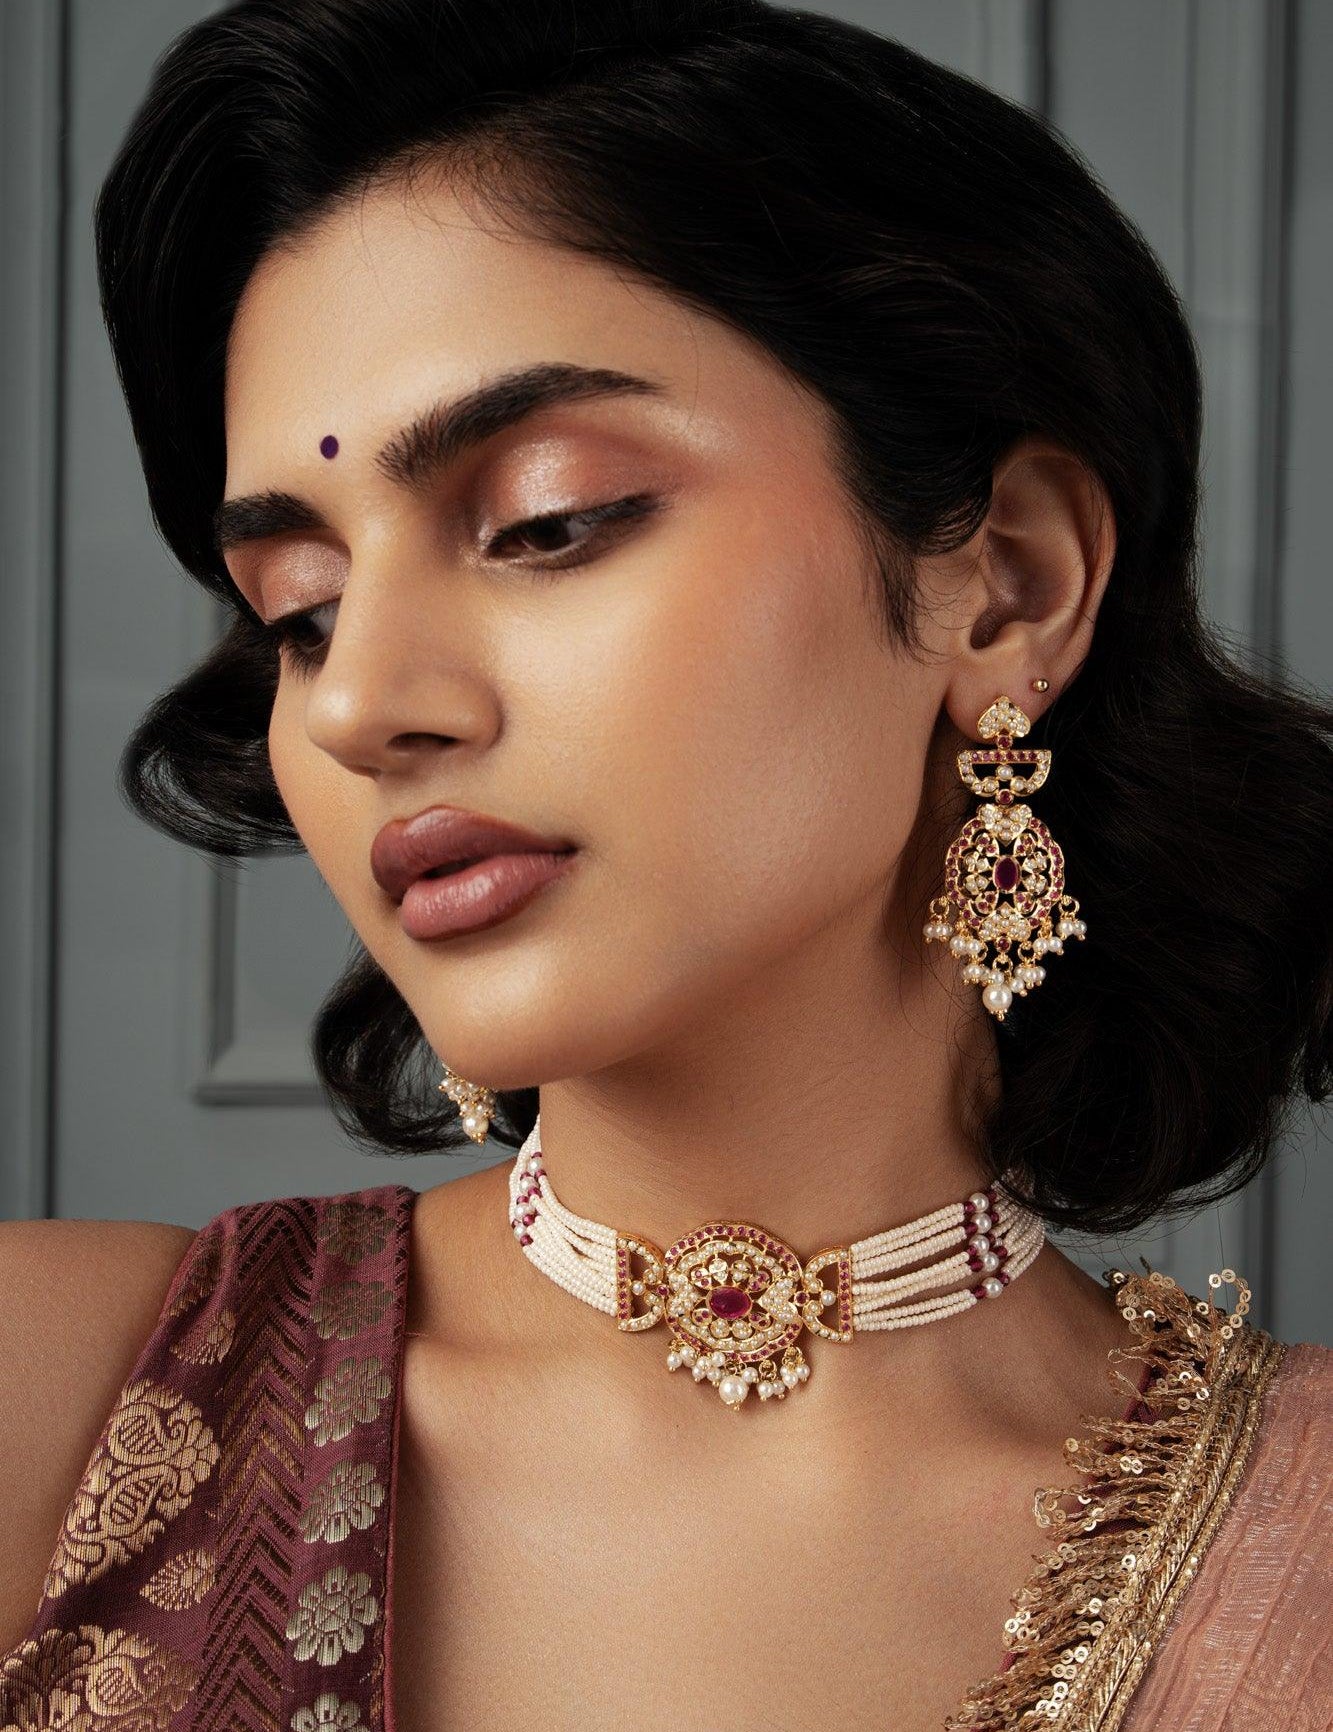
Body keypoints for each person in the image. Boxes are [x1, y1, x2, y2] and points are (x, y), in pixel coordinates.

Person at [2, 1, 1330, 1728]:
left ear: (1003, 583)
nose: (358, 704)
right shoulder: (60, 1402)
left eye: (546, 522)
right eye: (301, 611)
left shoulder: (1303, 1548)